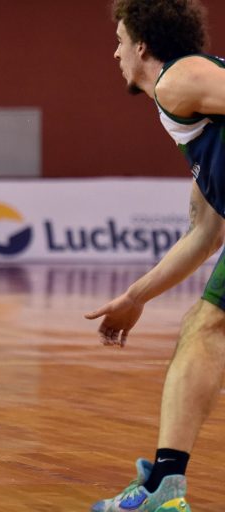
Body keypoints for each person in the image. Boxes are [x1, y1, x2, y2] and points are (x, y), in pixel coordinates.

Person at [87, 1, 225, 511]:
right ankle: (165, 485)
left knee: (206, 327)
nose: (116, 52)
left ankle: (164, 490)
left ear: (142, 45)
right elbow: (205, 235)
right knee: (203, 327)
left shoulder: (178, 79)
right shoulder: (196, 124)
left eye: (121, 40)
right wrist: (135, 296)